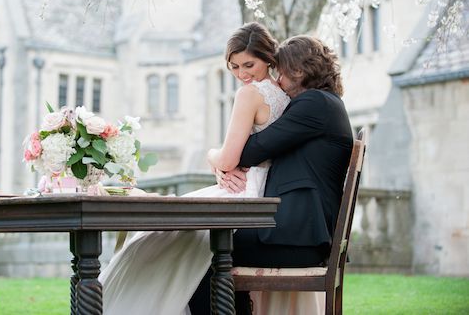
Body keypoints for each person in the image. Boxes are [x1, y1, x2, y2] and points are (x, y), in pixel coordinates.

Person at [98, 22, 290, 315]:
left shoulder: (249, 94)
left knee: (154, 240)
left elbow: (227, 159)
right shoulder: (283, 93)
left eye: (248, 64)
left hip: (246, 192)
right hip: (262, 188)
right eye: (234, 67)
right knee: (166, 236)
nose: (242, 74)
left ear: (268, 57)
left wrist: (213, 159)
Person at [189, 35, 354, 314]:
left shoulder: (315, 104)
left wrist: (213, 157)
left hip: (301, 240)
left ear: (299, 71)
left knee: (203, 251)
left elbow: (252, 150)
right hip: (303, 236)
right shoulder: (325, 104)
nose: (277, 81)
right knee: (209, 246)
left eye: (282, 72)